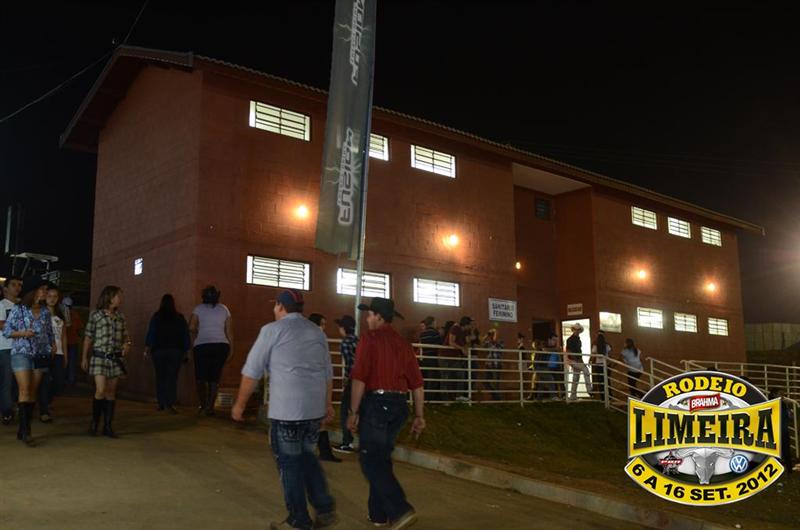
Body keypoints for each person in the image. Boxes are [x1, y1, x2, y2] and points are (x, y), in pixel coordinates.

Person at [232, 289, 337, 530]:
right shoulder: (316, 332)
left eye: (275, 305)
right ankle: (324, 506)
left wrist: (240, 404)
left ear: (281, 306)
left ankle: (298, 519)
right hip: (313, 410)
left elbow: (252, 371)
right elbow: (327, 372)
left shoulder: (272, 330)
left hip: (287, 411)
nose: (273, 309)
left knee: (290, 465)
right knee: (307, 458)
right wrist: (327, 404)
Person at [347, 297, 425, 529]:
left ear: (379, 317)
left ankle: (401, 510)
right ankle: (379, 514)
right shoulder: (403, 344)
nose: (367, 318)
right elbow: (417, 384)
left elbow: (359, 377)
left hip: (377, 404)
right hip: (399, 406)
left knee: (370, 460)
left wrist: (353, 411)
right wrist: (419, 416)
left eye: (370, 314)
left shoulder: (369, 339)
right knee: (381, 458)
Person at [2, 278, 56, 445]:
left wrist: (52, 345)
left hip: (40, 355)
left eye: (46, 290)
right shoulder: (19, 309)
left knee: (32, 391)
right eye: (42, 289)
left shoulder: (45, 312)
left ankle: (23, 428)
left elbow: (49, 332)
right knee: (24, 390)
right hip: (21, 353)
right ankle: (26, 431)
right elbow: (7, 331)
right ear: (34, 292)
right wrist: (23, 333)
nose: (45, 293)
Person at [82, 285, 131, 438]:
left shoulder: (120, 317)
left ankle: (108, 426)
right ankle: (94, 423)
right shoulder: (96, 315)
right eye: (117, 296)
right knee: (100, 390)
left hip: (115, 358)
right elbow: (88, 336)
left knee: (111, 392)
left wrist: (127, 345)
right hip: (99, 357)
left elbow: (126, 336)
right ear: (109, 297)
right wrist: (84, 357)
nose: (120, 299)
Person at [189, 286, 233, 416]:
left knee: (200, 378)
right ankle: (210, 407)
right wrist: (232, 348)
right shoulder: (224, 309)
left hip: (202, 346)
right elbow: (229, 331)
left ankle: (203, 405)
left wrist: (200, 331)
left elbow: (191, 327)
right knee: (214, 378)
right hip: (221, 345)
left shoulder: (198, 309)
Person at [144, 294, 191, 413]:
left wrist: (147, 347)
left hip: (159, 350)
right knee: (172, 377)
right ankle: (170, 403)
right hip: (175, 350)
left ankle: (161, 403)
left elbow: (152, 332)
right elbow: (185, 334)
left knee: (160, 377)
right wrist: (186, 350)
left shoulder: (157, 316)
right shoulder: (179, 317)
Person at [308, 312, 341, 463]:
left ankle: (323, 451)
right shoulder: (320, 340)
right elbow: (327, 369)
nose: (324, 327)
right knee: (318, 420)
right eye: (322, 324)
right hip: (316, 385)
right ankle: (324, 452)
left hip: (308, 386)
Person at [40, 283, 68, 422]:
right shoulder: (40, 312)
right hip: (44, 352)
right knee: (44, 381)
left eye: (55, 296)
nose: (52, 299)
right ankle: (44, 410)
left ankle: (45, 402)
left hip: (59, 353)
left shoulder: (60, 315)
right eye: (49, 296)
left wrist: (66, 356)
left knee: (58, 382)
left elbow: (64, 336)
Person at [333, 315, 358, 453]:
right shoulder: (359, 340)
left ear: (343, 328)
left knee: (345, 410)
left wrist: (347, 378)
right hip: (364, 381)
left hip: (353, 380)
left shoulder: (345, 343)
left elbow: (350, 363)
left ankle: (347, 442)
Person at [0, 276, 22, 424]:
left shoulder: (22, 306)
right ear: (5, 289)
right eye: (14, 284)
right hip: (5, 348)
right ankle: (7, 411)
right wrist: (21, 332)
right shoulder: (2, 305)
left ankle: (14, 406)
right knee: (6, 381)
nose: (17, 287)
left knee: (18, 381)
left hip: (20, 349)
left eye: (19, 285)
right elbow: (1, 325)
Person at [446, 316, 472, 402]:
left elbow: (466, 342)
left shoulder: (463, 331)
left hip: (454, 356)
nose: (471, 326)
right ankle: (455, 396)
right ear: (466, 324)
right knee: (458, 375)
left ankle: (454, 397)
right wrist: (462, 349)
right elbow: (451, 342)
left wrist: (465, 348)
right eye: (470, 324)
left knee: (454, 376)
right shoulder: (455, 328)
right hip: (448, 356)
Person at [768, 388, 793, 474]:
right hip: (776, 431)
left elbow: (789, 416)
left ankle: (788, 468)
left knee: (785, 451)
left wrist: (789, 413)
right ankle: (779, 469)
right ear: (774, 394)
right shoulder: (771, 404)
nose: (782, 396)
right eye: (780, 394)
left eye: (783, 394)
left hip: (783, 430)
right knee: (778, 451)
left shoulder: (783, 404)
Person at [62, 295, 84, 387]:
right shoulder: (75, 314)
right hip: (73, 342)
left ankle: (64, 379)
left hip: (64, 342)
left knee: (64, 361)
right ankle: (71, 380)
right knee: (72, 361)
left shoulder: (61, 314)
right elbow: (80, 329)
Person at [418, 316, 441, 401]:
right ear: (432, 322)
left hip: (425, 357)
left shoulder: (422, 333)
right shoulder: (435, 332)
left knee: (427, 378)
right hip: (432, 357)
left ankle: (426, 397)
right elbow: (439, 343)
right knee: (433, 378)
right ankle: (429, 399)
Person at [566, 323, 592, 400]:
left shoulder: (577, 339)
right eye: (576, 329)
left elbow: (576, 351)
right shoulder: (570, 339)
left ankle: (573, 395)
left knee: (576, 377)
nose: (577, 331)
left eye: (578, 330)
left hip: (575, 360)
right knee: (585, 370)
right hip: (573, 360)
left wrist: (580, 360)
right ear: (573, 330)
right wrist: (577, 360)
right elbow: (569, 351)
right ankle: (589, 390)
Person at [481, 328, 503, 401]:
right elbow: (481, 343)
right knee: (485, 382)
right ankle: (495, 395)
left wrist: (495, 331)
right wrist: (486, 335)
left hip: (496, 365)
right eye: (491, 335)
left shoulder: (501, 342)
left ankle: (497, 399)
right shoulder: (488, 343)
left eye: (492, 334)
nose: (492, 336)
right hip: (489, 365)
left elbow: (495, 341)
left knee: (496, 383)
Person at [591, 330, 612, 400]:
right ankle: (609, 396)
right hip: (606, 365)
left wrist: (590, 361)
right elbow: (610, 355)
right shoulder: (607, 345)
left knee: (600, 381)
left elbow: (593, 355)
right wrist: (608, 362)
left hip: (598, 365)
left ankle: (603, 397)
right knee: (607, 380)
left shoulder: (595, 345)